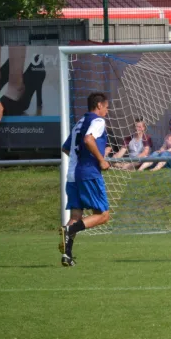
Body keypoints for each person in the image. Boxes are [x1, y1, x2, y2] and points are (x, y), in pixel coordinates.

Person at [59, 92, 111, 267]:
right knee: (103, 215)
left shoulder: (79, 123)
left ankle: (67, 255)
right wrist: (101, 160)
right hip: (88, 172)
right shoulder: (97, 121)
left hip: (72, 174)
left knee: (76, 215)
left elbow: (66, 148)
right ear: (99, 106)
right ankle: (69, 230)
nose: (107, 111)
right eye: (106, 107)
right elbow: (89, 139)